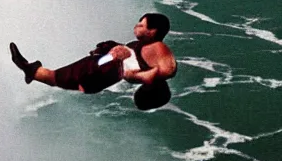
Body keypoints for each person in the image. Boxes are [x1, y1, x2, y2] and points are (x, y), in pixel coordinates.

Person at [9, 13, 177, 110]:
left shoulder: (158, 51)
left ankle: (30, 70)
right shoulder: (148, 50)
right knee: (58, 77)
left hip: (100, 73)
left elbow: (168, 69)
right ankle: (31, 70)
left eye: (142, 25)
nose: (137, 26)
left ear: (152, 31)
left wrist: (139, 75)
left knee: (57, 77)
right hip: (103, 72)